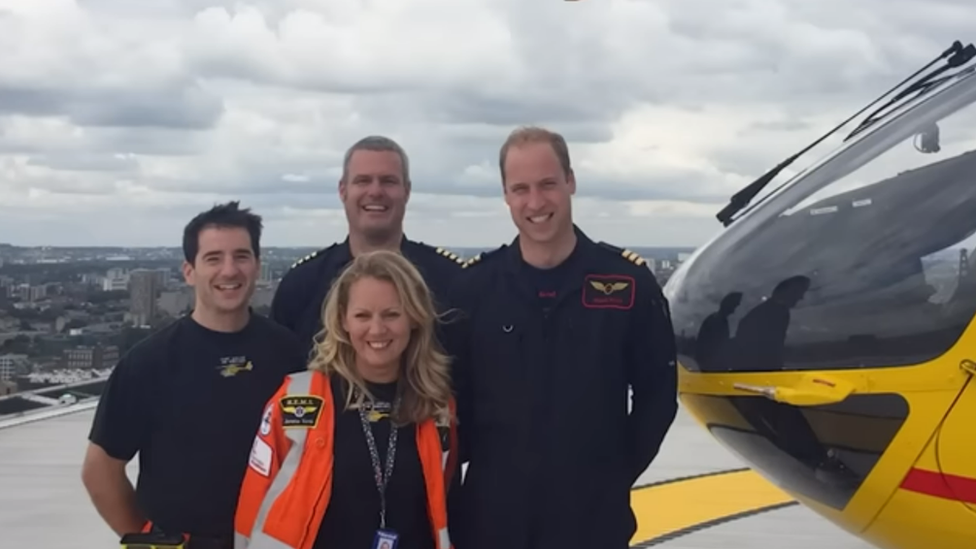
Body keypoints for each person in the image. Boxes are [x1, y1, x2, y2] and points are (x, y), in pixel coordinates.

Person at [444, 126, 679, 549]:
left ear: (570, 181)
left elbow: (658, 396)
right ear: (505, 194)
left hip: (592, 523)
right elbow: (446, 398)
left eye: (548, 184)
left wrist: (613, 474)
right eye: (520, 188)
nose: (535, 202)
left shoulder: (628, 285)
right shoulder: (474, 290)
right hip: (492, 522)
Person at [81, 202, 307, 549]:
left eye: (241, 256)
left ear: (258, 266)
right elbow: (100, 473)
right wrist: (149, 540)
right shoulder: (148, 362)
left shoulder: (290, 354)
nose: (229, 271)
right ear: (189, 271)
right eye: (213, 258)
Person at [234, 250, 458, 549]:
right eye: (363, 315)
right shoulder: (297, 401)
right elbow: (253, 504)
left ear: (414, 318)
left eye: (391, 314)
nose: (377, 329)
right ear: (343, 321)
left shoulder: (437, 407)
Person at [270, 135, 466, 358]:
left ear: (407, 191)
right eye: (363, 181)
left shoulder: (453, 282)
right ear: (343, 190)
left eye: (388, 181)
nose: (375, 192)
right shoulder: (300, 287)